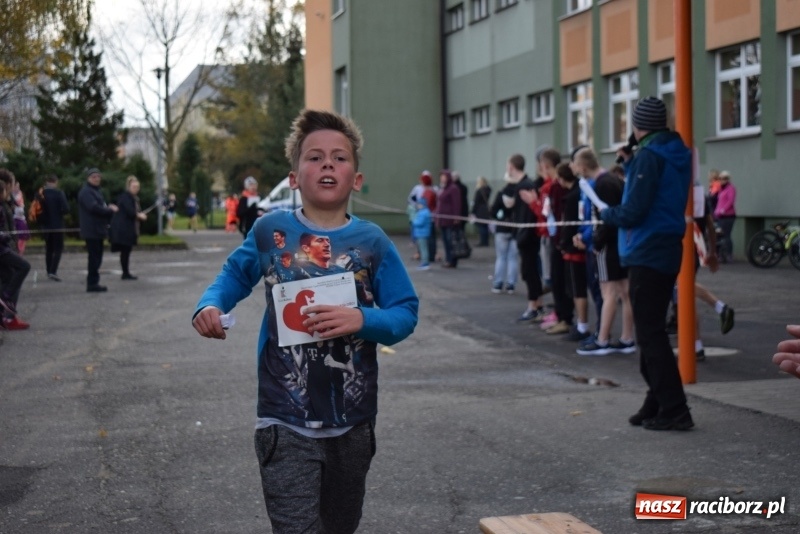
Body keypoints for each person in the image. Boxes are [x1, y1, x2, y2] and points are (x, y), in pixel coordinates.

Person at [191, 109, 419, 534]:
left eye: (339, 157)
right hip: (283, 417)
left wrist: (360, 319)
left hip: (352, 421)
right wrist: (208, 306)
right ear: (294, 177)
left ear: (357, 178)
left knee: (339, 527)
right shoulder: (268, 232)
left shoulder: (372, 242)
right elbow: (231, 278)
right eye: (314, 157)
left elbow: (405, 314)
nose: (328, 164)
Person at [599, 96, 694, 431]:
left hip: (647, 250)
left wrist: (606, 213)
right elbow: (657, 195)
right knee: (650, 330)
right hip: (666, 248)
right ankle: (656, 401)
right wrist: (630, 164)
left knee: (651, 334)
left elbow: (634, 210)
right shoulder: (674, 152)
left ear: (638, 128)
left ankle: (675, 409)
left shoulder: (649, 158)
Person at [573, 148, 635, 356]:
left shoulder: (603, 184)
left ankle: (602, 340)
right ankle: (626, 338)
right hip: (619, 242)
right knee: (625, 292)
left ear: (582, 165)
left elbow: (607, 217)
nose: (574, 168)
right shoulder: (610, 180)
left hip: (609, 245)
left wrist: (596, 242)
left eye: (575, 164)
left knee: (609, 292)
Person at [508, 154, 546, 322]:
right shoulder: (522, 185)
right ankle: (536, 304)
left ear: (512, 167)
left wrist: (522, 235)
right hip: (526, 235)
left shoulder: (525, 185)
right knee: (529, 271)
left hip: (528, 236)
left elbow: (527, 215)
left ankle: (534, 306)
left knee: (530, 271)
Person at [78, 168, 118, 293]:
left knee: (97, 257)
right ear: (88, 178)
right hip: (92, 230)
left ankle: (94, 281)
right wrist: (110, 210)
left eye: (98, 176)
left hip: (98, 229)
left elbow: (100, 206)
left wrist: (108, 208)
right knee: (94, 257)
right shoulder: (86, 192)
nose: (96, 179)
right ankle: (92, 283)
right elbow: (94, 208)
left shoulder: (97, 191)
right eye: (93, 177)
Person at [0, 173, 31, 330]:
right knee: (17, 274)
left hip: (7, 247)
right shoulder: (3, 205)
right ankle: (8, 313)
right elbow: (5, 228)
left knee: (9, 278)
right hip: (4, 249)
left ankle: (7, 315)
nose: (14, 187)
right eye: (12, 184)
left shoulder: (8, 202)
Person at [109, 176, 148, 280]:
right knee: (125, 251)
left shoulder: (132, 198)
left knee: (126, 251)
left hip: (127, 228)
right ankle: (125, 273)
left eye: (137, 187)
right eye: (134, 186)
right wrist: (140, 215)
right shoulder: (125, 197)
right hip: (123, 229)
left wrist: (139, 215)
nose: (136, 188)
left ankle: (126, 272)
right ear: (129, 186)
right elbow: (130, 212)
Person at [489, 179, 518, 294]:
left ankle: (498, 283)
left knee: (501, 257)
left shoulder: (501, 194)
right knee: (513, 258)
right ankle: (511, 284)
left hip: (502, 228)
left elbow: (493, 211)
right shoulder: (519, 194)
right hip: (515, 228)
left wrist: (499, 216)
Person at [39, 174, 70, 281]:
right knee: (58, 249)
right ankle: (53, 271)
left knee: (49, 249)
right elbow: (66, 208)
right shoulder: (59, 193)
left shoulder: (41, 193)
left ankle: (48, 270)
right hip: (58, 225)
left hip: (46, 226)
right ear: (55, 182)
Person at [435, 169, 462, 268]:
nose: (442, 178)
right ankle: (448, 259)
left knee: (450, 240)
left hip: (449, 220)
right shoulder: (442, 188)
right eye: (441, 176)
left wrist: (456, 217)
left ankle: (452, 260)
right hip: (442, 220)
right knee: (445, 241)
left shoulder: (453, 188)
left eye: (444, 176)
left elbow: (456, 203)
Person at [713, 170, 736, 263]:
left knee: (726, 235)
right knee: (719, 236)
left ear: (728, 179)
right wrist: (716, 211)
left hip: (728, 216)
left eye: (725, 178)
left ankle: (729, 255)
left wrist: (723, 210)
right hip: (719, 216)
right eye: (721, 178)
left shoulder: (731, 188)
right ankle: (721, 255)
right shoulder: (721, 189)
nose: (722, 180)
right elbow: (719, 202)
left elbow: (730, 201)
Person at [10, 180, 30, 255]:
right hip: (14, 218)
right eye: (16, 186)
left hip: (21, 218)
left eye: (18, 186)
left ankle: (20, 252)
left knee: (22, 237)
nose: (17, 188)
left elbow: (21, 207)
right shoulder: (10, 196)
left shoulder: (19, 194)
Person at [411, 196, 432, 270]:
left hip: (422, 233)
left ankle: (425, 263)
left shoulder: (423, 213)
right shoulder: (424, 212)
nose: (417, 206)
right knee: (423, 248)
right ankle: (424, 262)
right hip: (422, 233)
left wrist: (414, 220)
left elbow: (419, 223)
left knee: (423, 249)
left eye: (419, 204)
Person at [471, 176, 492, 247]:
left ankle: (483, 241)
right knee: (485, 226)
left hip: (480, 210)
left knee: (481, 226)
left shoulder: (479, 191)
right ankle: (486, 241)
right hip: (486, 209)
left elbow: (476, 202)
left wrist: (472, 211)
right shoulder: (488, 190)